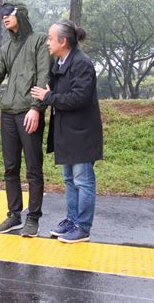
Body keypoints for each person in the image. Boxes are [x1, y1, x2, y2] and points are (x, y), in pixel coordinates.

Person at [0, 2, 53, 237]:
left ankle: (33, 218)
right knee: (10, 167)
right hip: (8, 113)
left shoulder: (39, 40)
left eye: (9, 13)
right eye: (1, 15)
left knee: (33, 168)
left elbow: (44, 73)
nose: (4, 17)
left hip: (29, 112)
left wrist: (37, 108)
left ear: (20, 14)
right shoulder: (6, 48)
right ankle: (14, 215)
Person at [31, 19, 103, 243]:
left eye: (51, 39)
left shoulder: (82, 63)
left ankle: (83, 227)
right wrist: (49, 92)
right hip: (67, 132)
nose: (47, 43)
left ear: (63, 41)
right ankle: (72, 220)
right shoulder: (61, 63)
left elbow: (79, 98)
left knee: (83, 180)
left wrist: (48, 96)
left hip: (82, 133)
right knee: (70, 180)